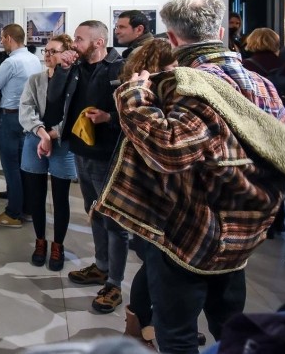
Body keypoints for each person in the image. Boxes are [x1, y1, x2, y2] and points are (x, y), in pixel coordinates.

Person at [96, 0, 285, 354]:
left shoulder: (185, 82)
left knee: (177, 333)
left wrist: (134, 95)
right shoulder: (262, 84)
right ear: (218, 30)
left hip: (191, 232)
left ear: (171, 39)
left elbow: (170, 148)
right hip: (245, 232)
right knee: (230, 328)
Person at [47, 20, 126, 314]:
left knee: (114, 219)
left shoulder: (120, 68)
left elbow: (135, 112)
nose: (74, 45)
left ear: (98, 42)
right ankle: (101, 266)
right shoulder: (76, 68)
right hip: (81, 150)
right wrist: (62, 69)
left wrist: (109, 118)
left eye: (79, 39)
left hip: (109, 154)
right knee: (94, 211)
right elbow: (53, 101)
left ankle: (115, 283)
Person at [117, 38, 177, 347]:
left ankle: (139, 322)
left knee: (154, 263)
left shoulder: (141, 92)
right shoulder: (143, 95)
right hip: (154, 193)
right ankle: (143, 324)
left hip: (152, 194)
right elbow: (163, 146)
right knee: (156, 263)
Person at [18, 34, 76, 271]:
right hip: (35, 141)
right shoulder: (36, 79)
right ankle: (40, 241)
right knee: (36, 196)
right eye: (46, 51)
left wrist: (53, 135)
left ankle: (58, 245)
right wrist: (42, 134)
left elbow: (74, 115)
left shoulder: (74, 79)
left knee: (61, 199)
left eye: (53, 51)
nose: (48, 56)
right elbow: (26, 108)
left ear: (66, 53)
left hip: (63, 144)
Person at [0, 24, 43, 227]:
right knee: (23, 165)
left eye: (1, 38)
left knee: (11, 167)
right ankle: (26, 208)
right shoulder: (34, 59)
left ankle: (13, 213)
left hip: (9, 118)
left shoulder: (11, 62)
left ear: (8, 38)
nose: (0, 41)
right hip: (28, 118)